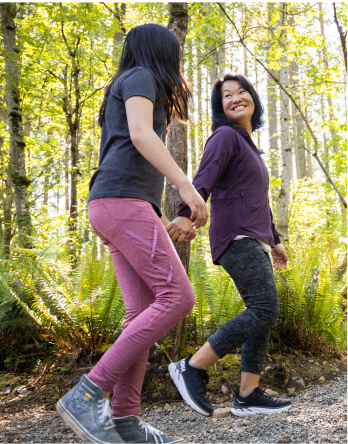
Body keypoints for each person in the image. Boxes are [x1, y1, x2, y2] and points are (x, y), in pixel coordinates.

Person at [56, 23, 208, 444]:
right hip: (120, 203)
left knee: (141, 312)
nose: (178, 63)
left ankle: (124, 419)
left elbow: (128, 149)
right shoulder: (141, 76)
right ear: (159, 51)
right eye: (175, 54)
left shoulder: (126, 81)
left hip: (116, 204)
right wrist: (184, 183)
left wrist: (157, 219)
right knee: (178, 297)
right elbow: (141, 135)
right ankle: (87, 392)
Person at [167, 73, 291, 417]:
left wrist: (275, 241)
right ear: (220, 107)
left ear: (253, 98)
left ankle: (248, 395)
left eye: (242, 92)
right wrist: (184, 214)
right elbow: (203, 178)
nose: (235, 98)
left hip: (253, 237)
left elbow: (258, 200)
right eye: (226, 95)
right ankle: (192, 366)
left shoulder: (248, 145)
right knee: (264, 308)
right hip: (235, 236)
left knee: (262, 315)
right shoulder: (224, 136)